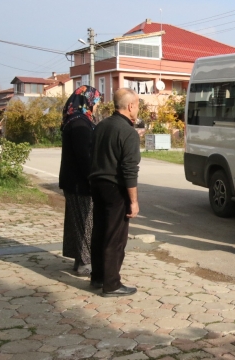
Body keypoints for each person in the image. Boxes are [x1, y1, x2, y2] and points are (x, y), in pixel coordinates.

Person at [88, 88, 141, 297]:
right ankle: (111, 284)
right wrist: (133, 201)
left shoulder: (101, 126)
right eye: (137, 105)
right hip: (115, 187)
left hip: (97, 183)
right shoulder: (128, 132)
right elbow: (129, 169)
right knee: (115, 237)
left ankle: (98, 276)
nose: (137, 109)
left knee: (100, 231)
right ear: (130, 106)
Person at [58, 85, 101, 276]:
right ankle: (85, 262)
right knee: (86, 222)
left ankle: (79, 260)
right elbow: (84, 156)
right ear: (87, 101)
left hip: (72, 180)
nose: (97, 107)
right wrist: (93, 178)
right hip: (80, 182)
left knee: (78, 221)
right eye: (96, 102)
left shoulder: (74, 119)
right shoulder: (80, 124)